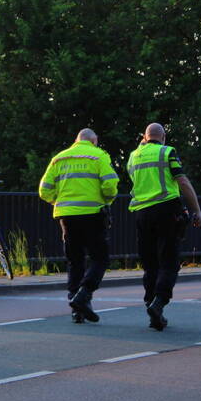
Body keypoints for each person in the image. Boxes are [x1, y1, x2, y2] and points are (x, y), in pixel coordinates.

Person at [126, 123, 201, 331]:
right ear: (164, 137)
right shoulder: (167, 152)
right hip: (167, 210)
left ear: (144, 137)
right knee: (169, 261)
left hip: (142, 214)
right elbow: (182, 182)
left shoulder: (133, 156)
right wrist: (196, 210)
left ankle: (151, 307)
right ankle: (159, 302)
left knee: (150, 264)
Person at [38, 128, 119, 323]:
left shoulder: (59, 158)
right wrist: (106, 201)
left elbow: (44, 190)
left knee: (75, 261)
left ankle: (77, 310)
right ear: (94, 140)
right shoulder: (99, 156)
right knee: (100, 258)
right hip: (92, 215)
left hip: (67, 217)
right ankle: (84, 294)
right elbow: (110, 185)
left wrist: (59, 202)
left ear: (77, 140)